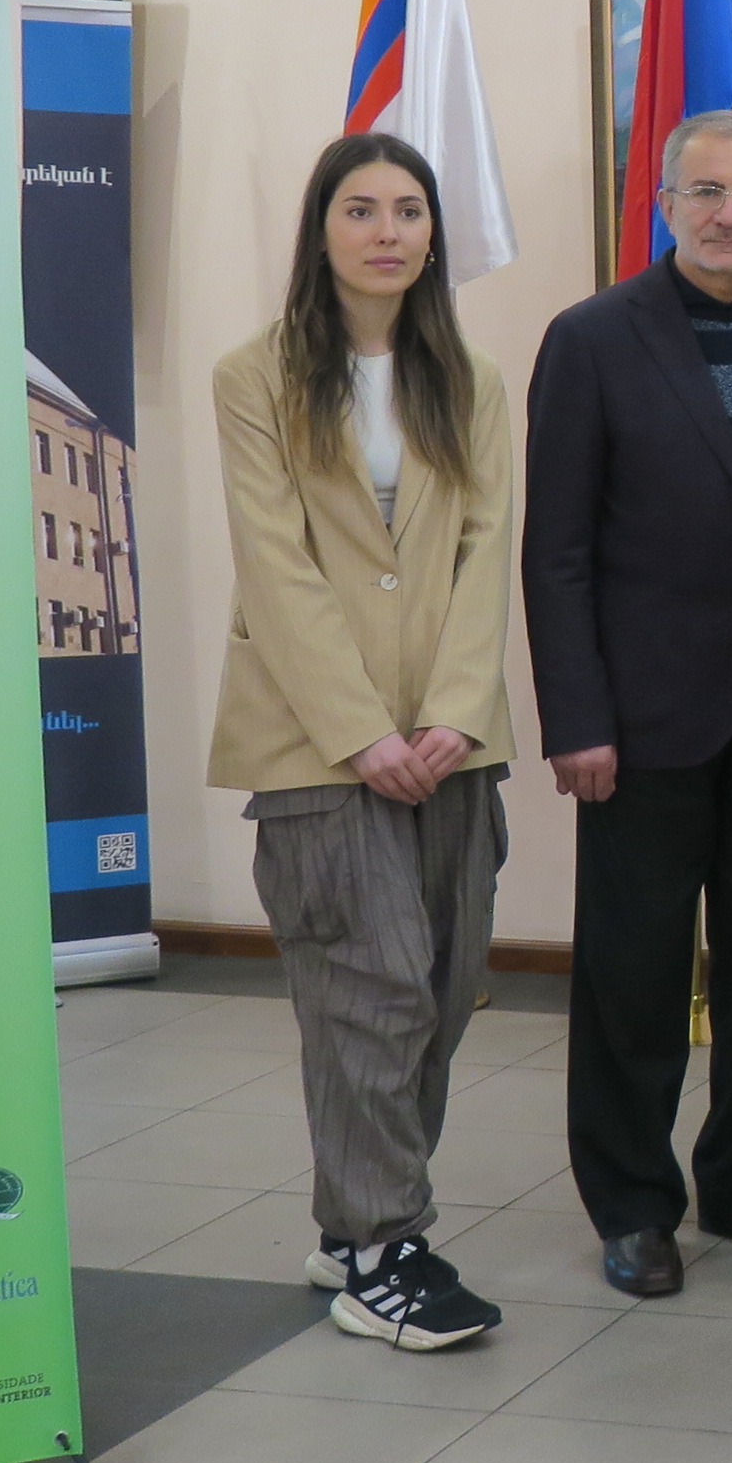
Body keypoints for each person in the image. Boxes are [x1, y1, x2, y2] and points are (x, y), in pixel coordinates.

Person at [525, 108, 732, 1291]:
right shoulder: (592, 338)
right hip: (645, 720)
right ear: (664, 200)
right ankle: (631, 1203)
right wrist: (577, 720)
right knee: (637, 970)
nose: (730, 216)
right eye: (707, 193)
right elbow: (555, 550)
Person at [207, 135, 519, 1351]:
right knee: (368, 988)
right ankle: (388, 1250)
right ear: (320, 229)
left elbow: (486, 550)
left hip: (452, 739)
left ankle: (350, 1225)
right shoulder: (257, 377)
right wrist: (357, 732)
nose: (386, 230)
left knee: (437, 992)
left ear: (434, 234)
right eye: (359, 209)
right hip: (312, 743)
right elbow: (274, 566)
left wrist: (450, 713)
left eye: (408, 210)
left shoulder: (472, 380)